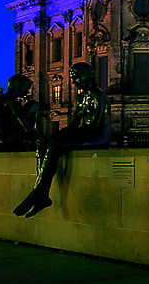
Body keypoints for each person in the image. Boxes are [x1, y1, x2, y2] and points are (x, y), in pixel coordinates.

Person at [13, 62, 110, 218]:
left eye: (76, 77)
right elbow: (73, 125)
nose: (74, 81)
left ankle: (38, 192)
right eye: (72, 78)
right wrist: (55, 135)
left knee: (56, 144)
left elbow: (96, 125)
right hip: (87, 132)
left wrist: (62, 136)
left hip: (98, 135)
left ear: (87, 75)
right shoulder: (80, 98)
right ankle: (41, 193)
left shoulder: (98, 95)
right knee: (44, 143)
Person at [0, 74, 40, 151]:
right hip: (5, 139)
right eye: (26, 87)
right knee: (35, 106)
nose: (28, 92)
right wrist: (33, 134)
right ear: (17, 87)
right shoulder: (10, 101)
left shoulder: (0, 100)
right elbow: (21, 119)